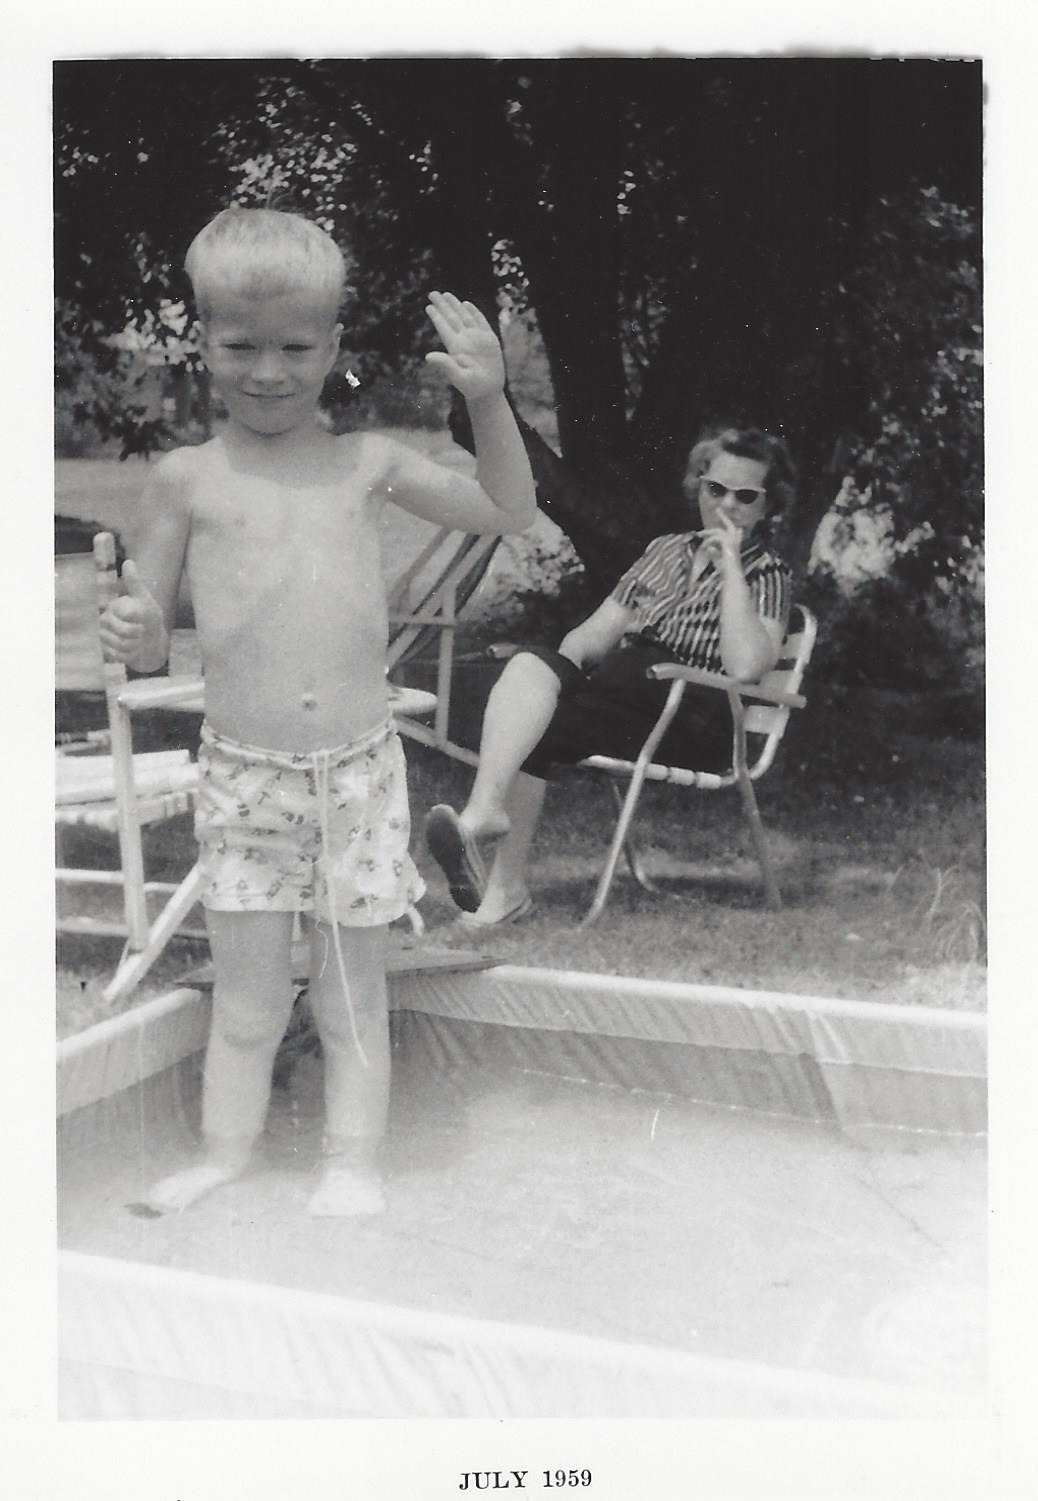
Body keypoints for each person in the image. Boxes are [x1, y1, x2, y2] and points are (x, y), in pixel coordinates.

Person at [99, 207, 536, 1216]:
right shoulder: (186, 478)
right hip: (244, 776)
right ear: (200, 339)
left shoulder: (367, 463)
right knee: (248, 1004)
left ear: (332, 347)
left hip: (356, 773)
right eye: (239, 345)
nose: (266, 370)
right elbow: (153, 630)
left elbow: (508, 510)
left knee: (351, 995)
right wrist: (132, 629)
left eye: (295, 347)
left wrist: (490, 399)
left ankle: (351, 1162)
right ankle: (224, 1152)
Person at [424, 427, 794, 926]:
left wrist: (730, 564)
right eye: (715, 489)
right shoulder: (664, 551)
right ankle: (484, 816)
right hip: (626, 695)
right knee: (532, 674)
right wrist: (547, 674)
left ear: (768, 507)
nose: (726, 505)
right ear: (698, 486)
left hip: (692, 710)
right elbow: (591, 638)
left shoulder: (767, 574)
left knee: (545, 724)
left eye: (745, 496)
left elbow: (748, 666)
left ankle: (504, 885)